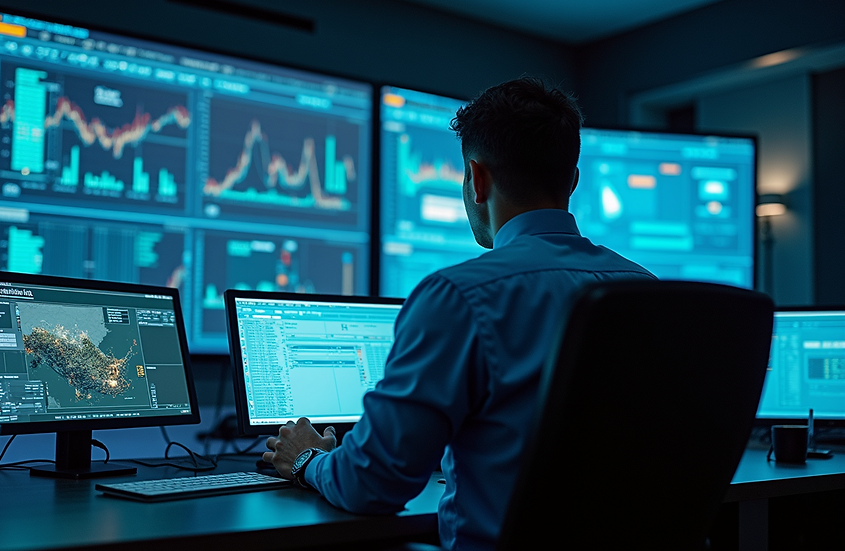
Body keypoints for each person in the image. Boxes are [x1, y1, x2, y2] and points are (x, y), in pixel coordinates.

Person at [262, 77, 656, 550]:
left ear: (477, 177)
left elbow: (373, 486)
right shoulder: (650, 294)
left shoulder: (459, 295)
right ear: (572, 179)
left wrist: (307, 458)